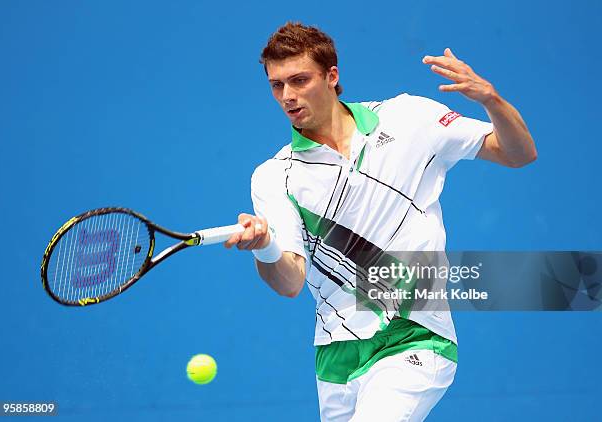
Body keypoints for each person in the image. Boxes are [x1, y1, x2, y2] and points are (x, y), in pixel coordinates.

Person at [224, 22, 536, 421]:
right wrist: (265, 248)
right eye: (276, 85)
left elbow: (518, 153)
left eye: (299, 80)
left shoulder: (409, 118)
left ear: (332, 76)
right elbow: (290, 283)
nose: (287, 96)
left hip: (415, 335)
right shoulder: (274, 175)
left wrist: (491, 99)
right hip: (336, 355)